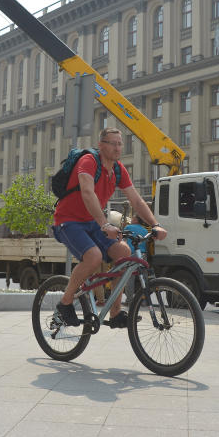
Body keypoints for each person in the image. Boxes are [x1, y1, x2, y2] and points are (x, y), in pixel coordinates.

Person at [52, 127, 167, 328]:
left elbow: (137, 201)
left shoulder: (118, 169)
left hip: (92, 222)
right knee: (94, 257)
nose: (117, 148)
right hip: (68, 220)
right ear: (101, 145)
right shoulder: (88, 162)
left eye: (120, 143)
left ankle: (115, 314)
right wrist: (105, 224)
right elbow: (88, 193)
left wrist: (155, 224)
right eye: (112, 143)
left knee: (124, 251)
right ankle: (65, 303)